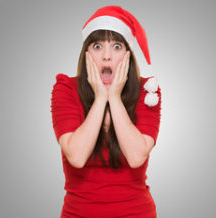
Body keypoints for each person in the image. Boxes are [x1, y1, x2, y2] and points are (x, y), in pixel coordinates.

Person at [50, 5, 162, 218]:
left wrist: (115, 98)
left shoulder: (148, 91)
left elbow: (137, 156)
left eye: (117, 46)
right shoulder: (65, 89)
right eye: (98, 46)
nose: (107, 56)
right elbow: (77, 155)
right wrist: (101, 98)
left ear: (128, 55)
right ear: (87, 53)